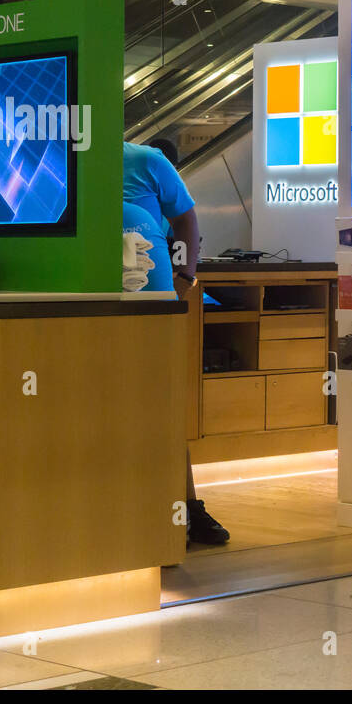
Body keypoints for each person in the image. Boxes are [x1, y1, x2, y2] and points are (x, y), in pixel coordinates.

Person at [123, 141, 230, 546]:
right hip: (97, 300)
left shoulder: (147, 160)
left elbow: (186, 218)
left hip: (151, 298)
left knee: (161, 403)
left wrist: (186, 274)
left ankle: (187, 507)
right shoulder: (67, 165)